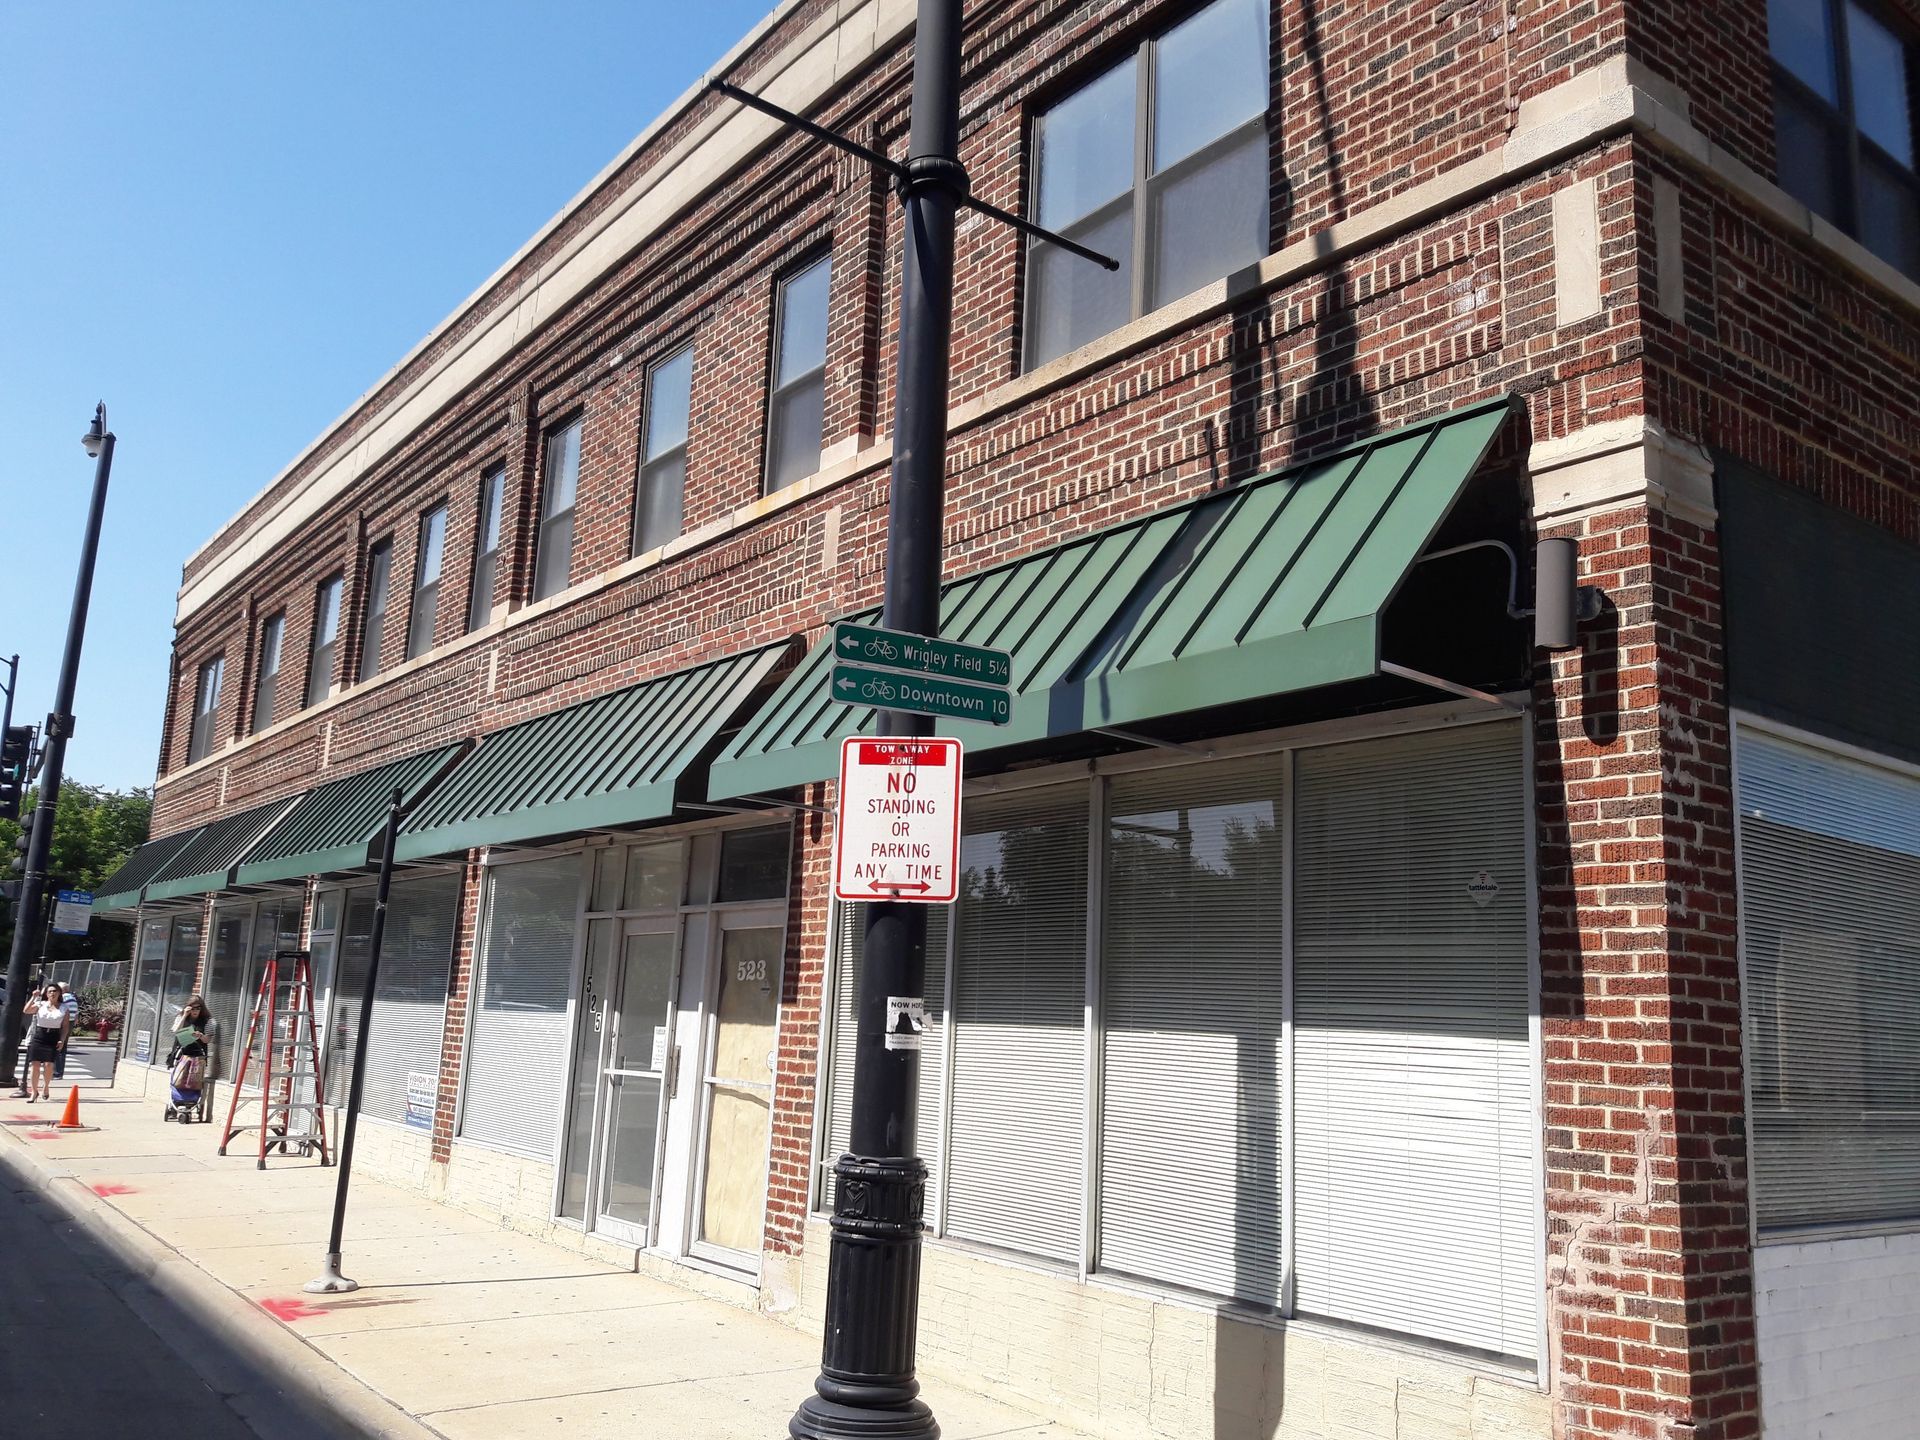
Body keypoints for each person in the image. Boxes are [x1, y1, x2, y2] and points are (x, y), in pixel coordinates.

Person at [22, 983, 69, 1102]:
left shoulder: (64, 1008)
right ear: (46, 994)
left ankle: (46, 1086)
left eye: (55, 991)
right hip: (39, 1035)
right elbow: (26, 1010)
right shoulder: (41, 1004)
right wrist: (33, 997)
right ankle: (34, 1092)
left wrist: (62, 1040)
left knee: (48, 1065)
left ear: (59, 993)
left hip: (53, 1036)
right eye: (50, 991)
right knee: (35, 1065)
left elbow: (65, 1027)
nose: (52, 993)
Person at [53, 984, 80, 1080]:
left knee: (58, 1047)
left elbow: (59, 1010)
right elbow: (76, 1013)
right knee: (63, 1047)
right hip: (70, 1023)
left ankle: (56, 1072)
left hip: (62, 1023)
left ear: (62, 990)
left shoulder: (63, 998)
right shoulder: (73, 998)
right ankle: (59, 1072)